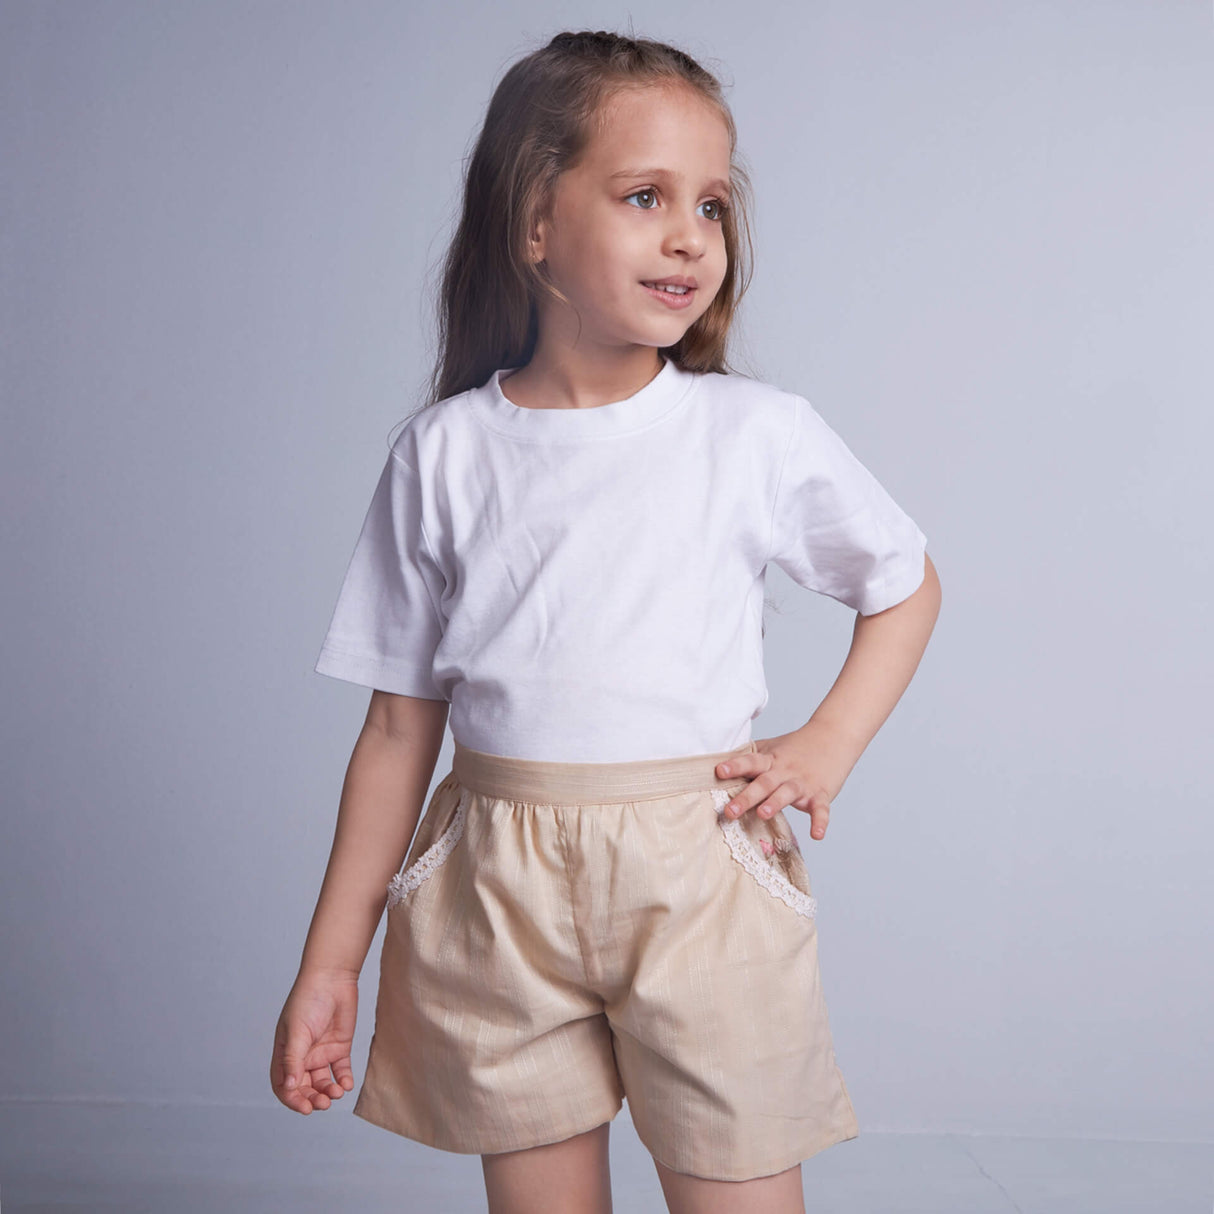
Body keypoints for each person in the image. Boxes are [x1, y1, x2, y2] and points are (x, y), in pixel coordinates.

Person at [270, 27, 940, 1214]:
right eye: (645, 196)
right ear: (534, 223)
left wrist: (822, 742)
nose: (692, 236)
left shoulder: (751, 434)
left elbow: (902, 580)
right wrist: (333, 958)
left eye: (714, 206)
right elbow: (393, 731)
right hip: (495, 881)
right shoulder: (445, 453)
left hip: (700, 871)